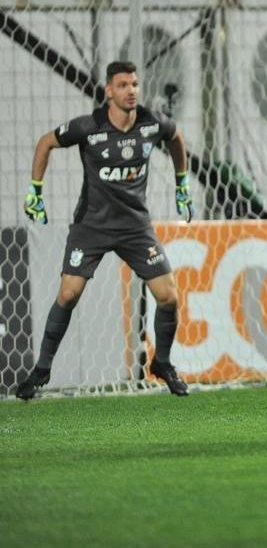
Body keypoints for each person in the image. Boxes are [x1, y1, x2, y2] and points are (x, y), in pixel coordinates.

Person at [16, 61, 194, 400]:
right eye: (123, 85)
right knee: (68, 294)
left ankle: (163, 363)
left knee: (169, 295)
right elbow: (45, 142)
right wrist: (34, 191)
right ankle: (42, 369)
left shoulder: (150, 123)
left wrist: (181, 184)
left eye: (135, 85)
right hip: (91, 226)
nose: (131, 91)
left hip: (134, 227)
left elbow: (176, 138)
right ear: (108, 91)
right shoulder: (89, 127)